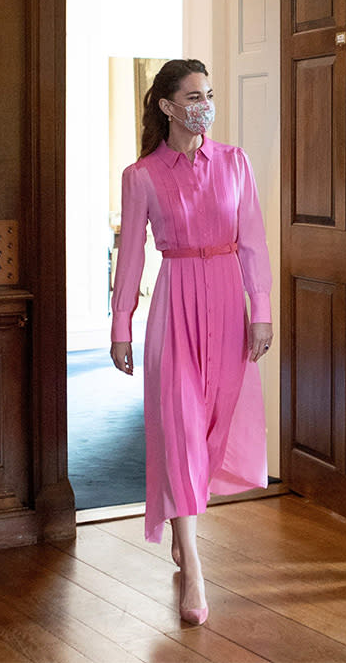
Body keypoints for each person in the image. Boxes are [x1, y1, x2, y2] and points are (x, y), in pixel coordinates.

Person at [110, 59, 273, 624]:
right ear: (167, 105)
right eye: (194, 95)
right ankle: (194, 570)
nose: (205, 104)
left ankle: (184, 519)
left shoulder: (234, 163)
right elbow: (131, 257)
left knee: (212, 427)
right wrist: (120, 325)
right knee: (178, 427)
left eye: (209, 94)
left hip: (229, 305)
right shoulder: (142, 176)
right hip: (175, 305)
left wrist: (263, 312)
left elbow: (252, 241)